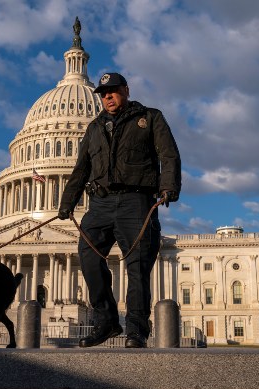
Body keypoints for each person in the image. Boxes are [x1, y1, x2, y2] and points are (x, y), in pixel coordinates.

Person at [58, 72, 181, 348]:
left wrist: (169, 186)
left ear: (125, 90)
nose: (107, 97)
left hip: (136, 201)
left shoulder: (149, 118)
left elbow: (168, 154)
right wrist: (67, 203)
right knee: (88, 257)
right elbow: (81, 170)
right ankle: (107, 321)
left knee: (137, 266)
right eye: (103, 94)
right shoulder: (93, 128)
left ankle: (136, 329)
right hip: (100, 203)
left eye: (112, 91)